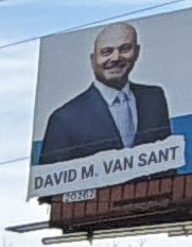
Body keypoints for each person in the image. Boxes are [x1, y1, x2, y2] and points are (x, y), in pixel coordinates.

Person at [41, 24, 174, 167]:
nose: (116, 58)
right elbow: (50, 182)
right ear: (93, 60)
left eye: (125, 49)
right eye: (107, 52)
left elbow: (167, 163)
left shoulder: (154, 98)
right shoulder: (64, 118)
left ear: (137, 52)